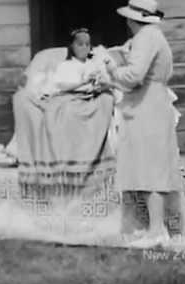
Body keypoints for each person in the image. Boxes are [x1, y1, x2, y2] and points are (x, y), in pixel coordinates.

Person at [104, 0, 185, 247]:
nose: (127, 24)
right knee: (160, 166)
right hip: (153, 101)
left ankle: (156, 229)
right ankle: (180, 231)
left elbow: (133, 75)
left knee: (149, 168)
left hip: (146, 105)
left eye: (128, 20)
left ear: (134, 20)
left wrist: (111, 71)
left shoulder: (146, 37)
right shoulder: (151, 37)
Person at [13, 28, 116, 201]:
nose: (84, 48)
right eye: (79, 44)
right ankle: (66, 165)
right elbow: (61, 86)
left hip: (89, 98)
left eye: (87, 44)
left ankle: (88, 162)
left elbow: (107, 81)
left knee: (100, 105)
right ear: (72, 46)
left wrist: (100, 82)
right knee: (63, 112)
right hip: (68, 97)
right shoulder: (66, 65)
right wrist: (83, 82)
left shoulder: (94, 64)